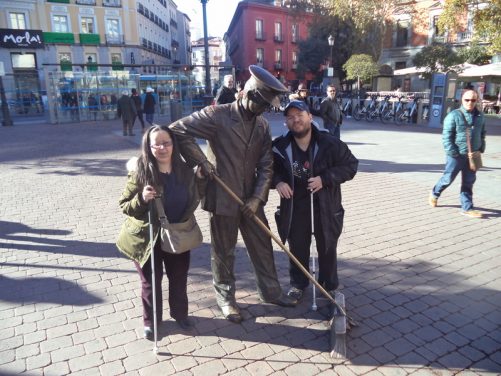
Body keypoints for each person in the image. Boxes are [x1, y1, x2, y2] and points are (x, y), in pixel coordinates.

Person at [170, 65, 297, 324]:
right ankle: (226, 298)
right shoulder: (217, 115)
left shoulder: (261, 126)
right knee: (224, 252)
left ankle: (271, 292)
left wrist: (257, 198)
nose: (265, 110)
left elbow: (266, 165)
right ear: (249, 95)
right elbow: (178, 130)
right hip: (223, 197)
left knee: (263, 246)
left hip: (251, 198)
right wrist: (201, 162)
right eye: (262, 104)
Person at [116, 125, 204, 340]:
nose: (162, 148)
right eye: (157, 144)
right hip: (147, 237)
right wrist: (141, 199)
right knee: (150, 281)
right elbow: (125, 205)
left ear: (173, 144)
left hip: (177, 233)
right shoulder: (141, 172)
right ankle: (151, 321)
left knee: (178, 277)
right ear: (149, 146)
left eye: (166, 143)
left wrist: (201, 178)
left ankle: (180, 314)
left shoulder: (184, 171)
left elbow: (194, 196)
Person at [272, 100, 358, 301]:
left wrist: (325, 179)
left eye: (300, 115)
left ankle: (328, 286)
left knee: (327, 247)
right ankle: (298, 284)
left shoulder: (330, 143)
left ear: (310, 117)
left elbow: (351, 165)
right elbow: (268, 170)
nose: (296, 120)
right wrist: (278, 182)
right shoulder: (279, 146)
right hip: (295, 206)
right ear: (286, 122)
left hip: (325, 206)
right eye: (291, 117)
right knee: (298, 247)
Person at [429, 89, 486, 218]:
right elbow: (447, 137)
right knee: (448, 179)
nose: (470, 102)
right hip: (456, 155)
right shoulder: (454, 115)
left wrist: (481, 147)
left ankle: (467, 208)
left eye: (473, 100)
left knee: (468, 182)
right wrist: (453, 152)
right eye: (467, 100)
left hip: (472, 155)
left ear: (477, 101)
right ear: (462, 100)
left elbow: (483, 133)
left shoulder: (480, 116)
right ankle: (435, 193)